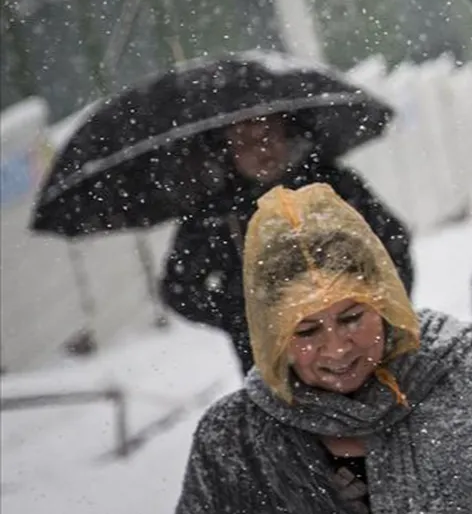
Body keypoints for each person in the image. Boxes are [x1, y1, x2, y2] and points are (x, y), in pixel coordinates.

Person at [160, 182, 472, 514]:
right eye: (306, 331)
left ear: (384, 304)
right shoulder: (234, 438)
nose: (336, 347)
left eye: (351, 318)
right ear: (274, 338)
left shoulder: (462, 369)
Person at [161, 113, 413, 374]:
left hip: (363, 350)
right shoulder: (215, 214)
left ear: (287, 133)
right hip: (276, 368)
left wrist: (380, 310)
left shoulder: (331, 183)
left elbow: (393, 243)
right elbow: (179, 288)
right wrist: (245, 315)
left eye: (269, 134)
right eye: (245, 141)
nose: (263, 149)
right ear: (227, 149)